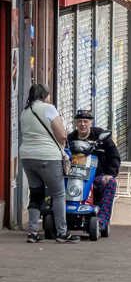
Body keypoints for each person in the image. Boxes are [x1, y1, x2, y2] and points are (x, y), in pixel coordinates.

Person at [19, 84, 77, 244]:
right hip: (48, 156)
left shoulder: (25, 112)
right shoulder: (49, 108)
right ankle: (62, 232)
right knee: (58, 194)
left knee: (36, 194)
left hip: (27, 157)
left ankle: (32, 233)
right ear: (44, 95)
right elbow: (62, 135)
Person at [68, 109, 120, 237]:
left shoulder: (100, 136)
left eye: (85, 121)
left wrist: (110, 174)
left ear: (91, 122)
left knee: (111, 183)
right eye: (79, 121)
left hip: (96, 177)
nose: (82, 124)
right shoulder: (70, 138)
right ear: (76, 123)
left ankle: (101, 221)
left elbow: (114, 156)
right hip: (73, 178)